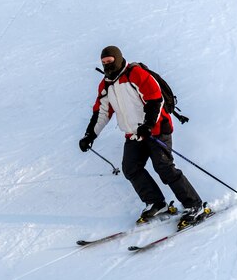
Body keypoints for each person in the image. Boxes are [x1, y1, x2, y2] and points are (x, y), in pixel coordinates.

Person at [79, 45, 204, 225]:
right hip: (134, 135)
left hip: (157, 130)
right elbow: (102, 111)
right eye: (104, 63)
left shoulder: (135, 74)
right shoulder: (106, 85)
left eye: (110, 61)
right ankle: (156, 202)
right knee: (130, 168)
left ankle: (194, 204)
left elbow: (155, 98)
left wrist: (148, 124)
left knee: (164, 167)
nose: (107, 65)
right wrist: (90, 135)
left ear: (118, 58)